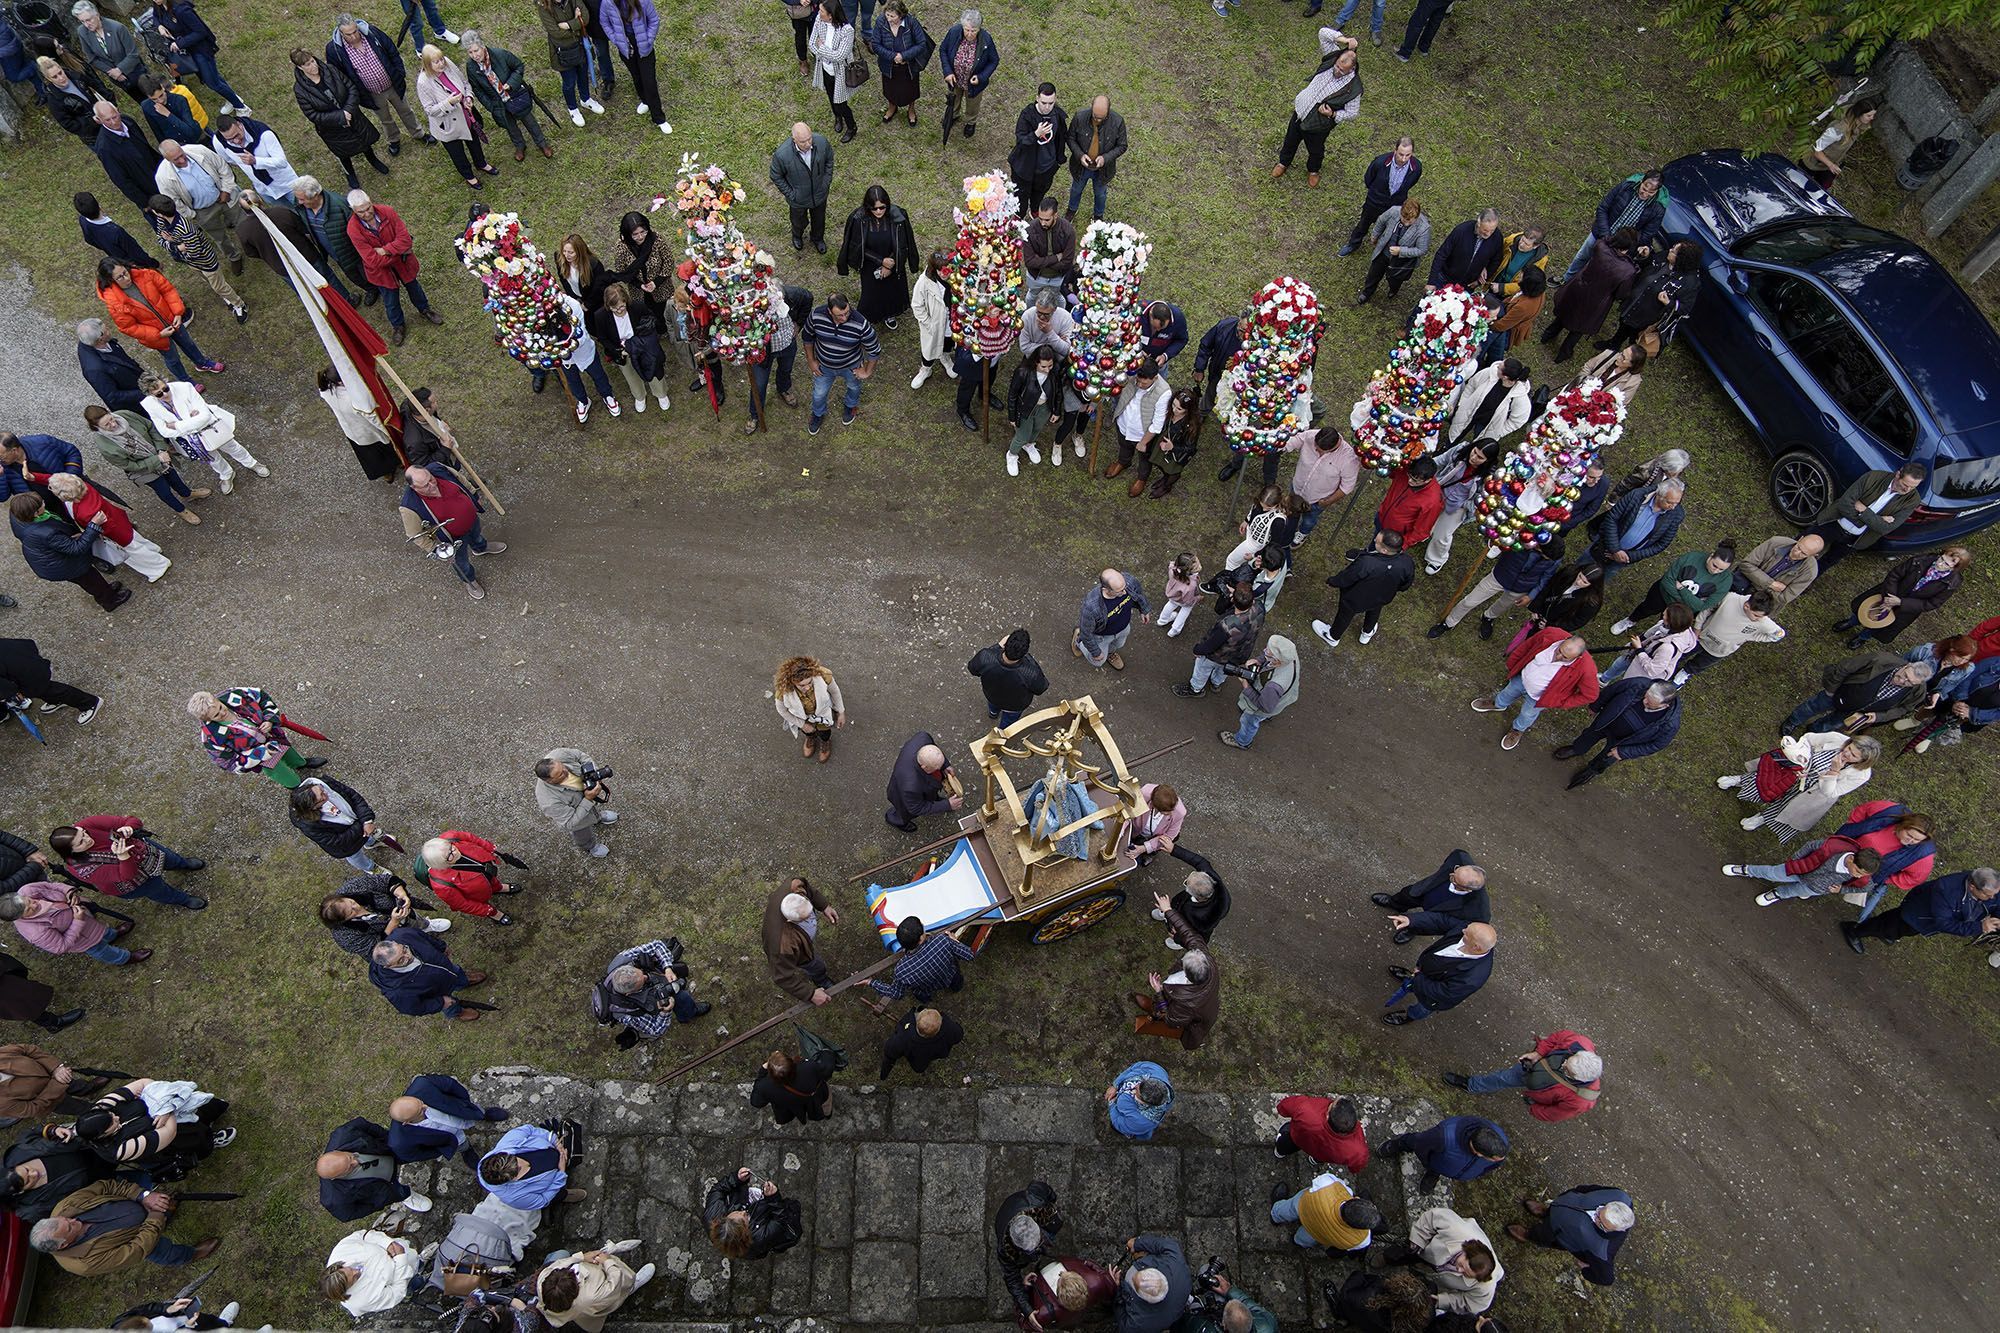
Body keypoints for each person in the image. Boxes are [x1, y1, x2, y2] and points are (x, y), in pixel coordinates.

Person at [29, 1181, 220, 1275]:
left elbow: (106, 1186)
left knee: (163, 1203)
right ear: (62, 1245)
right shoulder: (84, 1263)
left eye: (66, 1220)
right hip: (143, 1238)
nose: (73, 1221)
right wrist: (155, 1215)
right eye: (70, 1228)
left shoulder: (63, 1209)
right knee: (165, 1252)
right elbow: (135, 1250)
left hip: (141, 1204)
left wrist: (143, 1196)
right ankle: (191, 1254)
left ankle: (166, 1209)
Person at [1719, 731, 1879, 842]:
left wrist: (1834, 771)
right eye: (1849, 748)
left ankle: (1762, 818)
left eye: (1853, 755)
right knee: (1765, 779)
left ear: (1861, 761)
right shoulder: (1837, 738)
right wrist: (1802, 762)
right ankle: (1740, 780)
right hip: (1794, 770)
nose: (1846, 754)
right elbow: (1808, 739)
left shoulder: (1861, 775)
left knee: (1786, 804)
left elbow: (1830, 792)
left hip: (1811, 791)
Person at [50, 815, 206, 910]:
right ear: (72, 852)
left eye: (83, 834)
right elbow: (126, 876)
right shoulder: (82, 869)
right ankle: (183, 900)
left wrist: (129, 828)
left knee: (168, 857)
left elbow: (130, 820)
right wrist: (124, 857)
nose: (88, 839)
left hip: (143, 851)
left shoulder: (87, 825)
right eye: (81, 842)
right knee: (158, 890)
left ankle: (182, 864)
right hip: (133, 882)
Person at [347, 190, 441, 345]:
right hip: (382, 272)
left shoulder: (387, 212)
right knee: (391, 300)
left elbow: (405, 240)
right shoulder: (353, 229)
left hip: (403, 264)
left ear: (370, 201)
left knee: (414, 288)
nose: (366, 213)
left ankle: (425, 310)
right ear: (353, 211)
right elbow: (372, 260)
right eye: (361, 212)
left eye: (368, 208)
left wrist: (385, 251)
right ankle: (398, 326)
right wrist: (397, 252)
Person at [6, 493, 125, 612]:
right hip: (63, 566)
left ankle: (107, 590)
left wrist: (66, 539)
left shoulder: (18, 513)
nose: (44, 502)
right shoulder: (47, 533)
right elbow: (77, 549)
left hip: (52, 556)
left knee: (93, 579)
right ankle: (109, 601)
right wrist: (93, 526)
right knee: (91, 581)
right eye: (41, 503)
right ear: (36, 513)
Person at [1273, 27, 1361, 188]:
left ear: (1352, 69)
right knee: (1290, 140)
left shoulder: (1353, 87)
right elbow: (1323, 33)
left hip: (1318, 125)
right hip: (1300, 112)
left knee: (1315, 150)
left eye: (1342, 70)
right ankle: (1283, 162)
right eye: (1337, 66)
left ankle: (1313, 170)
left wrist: (1333, 114)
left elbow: (1353, 112)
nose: (1337, 70)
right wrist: (1345, 40)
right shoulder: (1331, 59)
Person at [399, 463, 502, 600]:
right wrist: (435, 549)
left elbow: (461, 480)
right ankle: (469, 580)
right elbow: (415, 535)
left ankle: (480, 548)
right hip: (453, 540)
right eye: (425, 485)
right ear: (414, 487)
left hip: (471, 520)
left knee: (476, 536)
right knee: (462, 562)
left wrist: (473, 497)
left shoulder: (439, 469)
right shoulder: (409, 507)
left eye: (430, 479)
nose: (432, 485)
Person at [325, 15, 423, 158]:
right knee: (385, 119)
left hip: (392, 85)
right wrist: (357, 95)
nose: (353, 36)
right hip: (372, 93)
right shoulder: (334, 50)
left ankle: (418, 133)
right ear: (340, 32)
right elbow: (339, 77)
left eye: (355, 31)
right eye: (348, 34)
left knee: (406, 110)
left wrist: (399, 73)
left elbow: (392, 51)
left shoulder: (372, 33)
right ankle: (394, 140)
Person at [1429, 537, 1563, 640]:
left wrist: (1531, 596)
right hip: (1499, 576)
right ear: (1540, 547)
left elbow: (1545, 578)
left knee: (1502, 607)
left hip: (1521, 588)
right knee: (1469, 601)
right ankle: (1449, 622)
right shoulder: (1523, 539)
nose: (1547, 560)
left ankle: (1488, 617)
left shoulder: (1554, 559)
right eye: (1546, 557)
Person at [1844, 866, 2000, 954]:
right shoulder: (1946, 890)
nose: (1993, 898)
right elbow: (1943, 924)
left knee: (1899, 929)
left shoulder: (1990, 887)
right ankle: (1855, 930)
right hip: (1917, 915)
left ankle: (1888, 932)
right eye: (1989, 895)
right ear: (1973, 887)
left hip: (1926, 920)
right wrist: (1978, 927)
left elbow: (1996, 904)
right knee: (1889, 925)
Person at [291, 48, 386, 191]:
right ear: (300, 67)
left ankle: (373, 159)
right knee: (342, 152)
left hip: (352, 116)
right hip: (332, 128)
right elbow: (312, 115)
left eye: (312, 61)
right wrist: (340, 117)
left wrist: (348, 110)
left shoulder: (330, 70)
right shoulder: (300, 89)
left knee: (363, 139)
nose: (313, 66)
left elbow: (351, 89)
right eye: (307, 65)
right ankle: (350, 173)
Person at [1837, 547, 1971, 648]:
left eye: (1947, 564)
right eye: (1941, 558)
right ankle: (1852, 622)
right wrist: (1890, 597)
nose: (1940, 564)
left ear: (1955, 568)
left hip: (1905, 610)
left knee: (1881, 624)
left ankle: (1863, 636)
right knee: (1867, 608)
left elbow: (1931, 604)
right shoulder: (1920, 561)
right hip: (1888, 594)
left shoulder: (1951, 584)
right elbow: (1895, 575)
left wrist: (1901, 602)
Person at [143, 192, 245, 324]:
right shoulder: (161, 220)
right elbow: (160, 239)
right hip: (192, 262)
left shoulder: (185, 229)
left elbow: (194, 252)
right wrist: (178, 246)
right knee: (208, 281)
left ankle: (239, 304)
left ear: (159, 213)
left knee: (219, 287)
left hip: (205, 261)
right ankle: (228, 298)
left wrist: (174, 245)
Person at [1543, 225, 1636, 361]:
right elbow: (1621, 294)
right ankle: (1563, 353)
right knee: (1578, 329)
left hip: (1579, 288)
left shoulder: (1600, 247)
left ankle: (1548, 335)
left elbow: (1604, 240)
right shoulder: (1627, 270)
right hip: (1597, 301)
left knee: (1564, 314)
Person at [1127, 910, 1218, 1048]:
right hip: (1193, 1003)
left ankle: (1152, 1011)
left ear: (1187, 974)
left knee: (1160, 1012)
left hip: (1183, 1011)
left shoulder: (1187, 1004)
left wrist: (1158, 991)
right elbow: (1190, 936)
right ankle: (1153, 1007)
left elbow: (1170, 1019)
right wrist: (1168, 910)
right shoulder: (1205, 960)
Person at [1783, 651, 1932, 735]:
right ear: (1907, 665)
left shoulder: (1918, 690)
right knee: (1812, 707)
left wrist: (1879, 716)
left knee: (1832, 723)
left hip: (1856, 713)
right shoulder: (1880, 660)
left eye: (1909, 683)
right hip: (1839, 694)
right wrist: (1831, 690)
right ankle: (1792, 722)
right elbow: (1845, 667)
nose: (1902, 681)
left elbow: (1903, 709)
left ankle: (1812, 732)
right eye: (1905, 676)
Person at [2, 881, 149, 966]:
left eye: (29, 901)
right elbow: (61, 946)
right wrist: (77, 921)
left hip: (87, 919)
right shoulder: (35, 932)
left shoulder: (27, 890)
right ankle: (125, 958)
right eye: (28, 910)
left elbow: (53, 886)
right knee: (101, 950)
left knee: (103, 930)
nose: (34, 905)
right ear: (19, 918)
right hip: (82, 939)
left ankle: (114, 935)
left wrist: (69, 893)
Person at [1508, 1188, 1634, 1286]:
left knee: (1543, 1234)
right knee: (1556, 1210)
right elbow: (1591, 1189)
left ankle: (1529, 1235)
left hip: (1561, 1234)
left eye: (1600, 1221)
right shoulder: (1621, 1197)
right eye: (1601, 1209)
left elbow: (1606, 1279)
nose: (1595, 1213)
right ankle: (1546, 1212)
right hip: (1565, 1205)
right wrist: (1575, 1192)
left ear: (1609, 1229)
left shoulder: (1601, 1251)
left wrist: (1585, 1269)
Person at [1806, 463, 1927, 566]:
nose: (1907, 490)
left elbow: (1886, 528)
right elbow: (1844, 503)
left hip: (1855, 538)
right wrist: (1874, 520)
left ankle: (1804, 583)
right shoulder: (1874, 477)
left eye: (1913, 487)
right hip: (1833, 522)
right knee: (1801, 545)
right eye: (1905, 484)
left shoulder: (1913, 499)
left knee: (1828, 562)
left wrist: (1864, 510)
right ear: (1898, 474)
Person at [1721, 833, 1881, 909]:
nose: (1858, 876)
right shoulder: (1833, 848)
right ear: (1852, 859)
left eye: (1862, 875)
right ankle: (1746, 870)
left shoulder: (1864, 876)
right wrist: (1796, 858)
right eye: (1857, 871)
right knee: (1772, 873)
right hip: (1799, 869)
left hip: (1814, 888)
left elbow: (1866, 887)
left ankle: (1776, 894)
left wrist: (1842, 889)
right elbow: (1811, 845)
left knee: (1792, 891)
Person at [1314, 529, 1415, 649]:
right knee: (1374, 610)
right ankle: (1367, 632)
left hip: (1355, 598)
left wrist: (1333, 581)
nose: (1374, 541)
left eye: (1376, 541)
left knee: (1344, 615)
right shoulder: (1407, 562)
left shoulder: (1367, 563)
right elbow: (1405, 584)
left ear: (1384, 550)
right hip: (1382, 597)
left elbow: (1347, 577)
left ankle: (1333, 636)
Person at [457, 32, 548, 165]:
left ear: (482, 46)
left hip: (515, 96)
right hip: (499, 104)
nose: (474, 55)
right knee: (510, 126)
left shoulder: (500, 54)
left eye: (476, 50)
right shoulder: (471, 67)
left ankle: (542, 143)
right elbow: (477, 89)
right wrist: (491, 106)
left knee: (529, 120)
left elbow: (519, 66)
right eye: (470, 52)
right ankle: (520, 146)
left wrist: (511, 84)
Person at [1382, 922, 1497, 1026]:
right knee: (1414, 980)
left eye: (1466, 933)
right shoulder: (1469, 933)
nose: (1463, 930)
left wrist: (1419, 979)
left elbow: (1444, 993)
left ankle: (1409, 1016)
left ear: (1476, 947)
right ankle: (1411, 979)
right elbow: (1440, 920)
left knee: (1422, 1008)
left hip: (1432, 998)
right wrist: (1412, 920)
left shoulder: (1473, 977)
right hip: (1425, 972)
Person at [596, 938, 710, 1043]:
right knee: (681, 996)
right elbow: (656, 1029)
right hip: (640, 1007)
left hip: (640, 988)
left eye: (642, 974)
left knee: (671, 965)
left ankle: (688, 1011)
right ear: (628, 993)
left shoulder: (623, 959)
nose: (647, 977)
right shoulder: (625, 1013)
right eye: (642, 982)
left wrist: (667, 968)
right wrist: (665, 1012)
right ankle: (687, 1015)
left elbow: (657, 945)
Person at [1562, 170, 1667, 283]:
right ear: (1641, 181)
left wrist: (1627, 246)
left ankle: (1580, 287)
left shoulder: (1658, 208)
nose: (1645, 194)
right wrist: (1605, 234)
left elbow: (1647, 234)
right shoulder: (1626, 187)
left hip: (1621, 246)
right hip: (1601, 232)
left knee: (1600, 270)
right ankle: (1566, 279)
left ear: (1657, 191)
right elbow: (1603, 208)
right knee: (1582, 257)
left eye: (1650, 193)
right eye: (1644, 189)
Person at [316, 1116, 430, 1220]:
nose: (355, 1162)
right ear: (336, 1177)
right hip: (384, 1187)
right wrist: (377, 1203)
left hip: (387, 1152)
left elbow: (366, 1126)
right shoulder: (333, 1199)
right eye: (349, 1168)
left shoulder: (344, 1133)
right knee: (398, 1192)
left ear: (336, 1151)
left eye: (350, 1157)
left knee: (414, 1150)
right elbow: (349, 1214)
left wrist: (389, 1139)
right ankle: (406, 1195)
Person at [1368, 849, 1490, 946]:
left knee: (1424, 924)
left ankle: (1411, 929)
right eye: (1455, 870)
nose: (1451, 875)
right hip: (1427, 890)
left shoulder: (1478, 911)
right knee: (1406, 895)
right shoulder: (1460, 858)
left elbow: (1444, 923)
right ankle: (1394, 903)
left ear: (1467, 889)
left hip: (1437, 912)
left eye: (1454, 879)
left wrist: (1416, 921)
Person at [800, 292, 881, 434]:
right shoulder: (816, 316)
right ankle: (817, 414)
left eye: (847, 313)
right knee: (818, 394)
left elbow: (874, 349)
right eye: (840, 315)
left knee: (854, 387)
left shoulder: (860, 323)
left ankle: (850, 406)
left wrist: (867, 371)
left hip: (851, 366)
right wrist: (811, 361)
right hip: (824, 366)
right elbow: (807, 338)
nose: (845, 318)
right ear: (829, 311)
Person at [837, 183, 916, 328]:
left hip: (894, 262)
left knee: (893, 291)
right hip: (869, 264)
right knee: (872, 293)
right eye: (874, 208)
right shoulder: (858, 219)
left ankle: (889, 314)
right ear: (868, 207)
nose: (879, 211)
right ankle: (872, 315)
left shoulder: (898, 216)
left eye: (882, 207)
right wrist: (881, 261)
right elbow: (858, 247)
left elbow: (903, 242)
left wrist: (890, 264)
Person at [414, 43, 493, 188]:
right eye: (436, 62)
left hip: (466, 115)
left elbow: (464, 83)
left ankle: (481, 163)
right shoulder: (423, 82)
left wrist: (469, 98)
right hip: (448, 125)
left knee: (474, 142)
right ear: (427, 64)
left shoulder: (448, 64)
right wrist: (448, 103)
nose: (441, 63)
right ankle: (468, 176)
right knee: (457, 153)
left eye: (441, 59)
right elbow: (430, 110)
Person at [386, 1073, 509, 1165]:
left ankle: (484, 1115)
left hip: (459, 1112)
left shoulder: (422, 1084)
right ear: (407, 1122)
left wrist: (465, 1102)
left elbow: (450, 1084)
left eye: (420, 1102)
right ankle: (466, 1150)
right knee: (461, 1144)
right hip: (447, 1138)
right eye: (421, 1110)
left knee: (475, 1111)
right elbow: (415, 1155)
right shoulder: (399, 1142)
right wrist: (443, 1148)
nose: (425, 1106)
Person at [368, 927, 488, 1020]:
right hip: (437, 992)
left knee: (456, 972)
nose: (409, 957)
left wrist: (441, 947)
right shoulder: (397, 992)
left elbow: (424, 937)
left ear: (395, 942)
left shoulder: (403, 935)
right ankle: (457, 1012)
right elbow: (413, 1008)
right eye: (401, 960)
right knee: (450, 1004)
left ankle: (463, 981)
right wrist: (441, 1003)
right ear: (388, 966)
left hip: (446, 969)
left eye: (405, 950)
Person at [588, 282, 671, 415]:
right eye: (615, 309)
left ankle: (660, 393)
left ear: (626, 300)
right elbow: (602, 338)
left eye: (621, 306)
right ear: (608, 306)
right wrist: (618, 350)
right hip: (622, 352)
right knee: (630, 374)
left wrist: (641, 342)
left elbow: (651, 321)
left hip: (642, 346)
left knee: (653, 368)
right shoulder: (600, 316)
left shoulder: (638, 307)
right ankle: (639, 396)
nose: (620, 310)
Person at [320, 873, 449, 957]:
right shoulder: (346, 937)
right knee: (415, 946)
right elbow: (378, 948)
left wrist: (401, 894)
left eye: (352, 902)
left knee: (415, 921)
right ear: (343, 920)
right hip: (396, 939)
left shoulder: (352, 889)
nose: (357, 906)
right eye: (351, 912)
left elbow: (384, 881)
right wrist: (394, 922)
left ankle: (426, 926)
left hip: (403, 914)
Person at [289, 776, 396, 874]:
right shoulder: (309, 825)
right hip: (347, 846)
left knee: (367, 834)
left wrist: (366, 821)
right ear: (313, 807)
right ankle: (371, 868)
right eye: (322, 797)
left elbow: (353, 796)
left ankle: (371, 843)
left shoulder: (324, 784)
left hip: (357, 827)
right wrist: (362, 824)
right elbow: (338, 841)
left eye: (321, 789)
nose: (325, 793)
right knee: (356, 856)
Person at [537, 1246, 655, 1332]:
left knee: (561, 1254)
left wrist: (581, 1257)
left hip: (569, 1312)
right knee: (621, 1285)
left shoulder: (543, 1279)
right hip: (592, 1304)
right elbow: (614, 1283)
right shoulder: (591, 1297)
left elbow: (558, 1264)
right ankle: (631, 1287)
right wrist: (607, 1262)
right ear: (574, 1289)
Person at [1589, 476, 1684, 581]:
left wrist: (1629, 556)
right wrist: (1615, 549)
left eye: (1677, 503)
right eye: (1670, 502)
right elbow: (1612, 518)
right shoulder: (1637, 496)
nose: (1673, 507)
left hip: (1623, 559)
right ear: (1659, 495)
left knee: (1600, 581)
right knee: (1582, 568)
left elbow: (1661, 545)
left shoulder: (1676, 515)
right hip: (1604, 546)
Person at [1380, 1115, 1509, 1192]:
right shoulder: (1443, 1136)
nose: (1500, 1161)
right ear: (1478, 1153)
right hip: (1436, 1157)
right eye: (1494, 1159)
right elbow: (1421, 1145)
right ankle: (1398, 1145)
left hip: (1445, 1165)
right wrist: (1428, 1162)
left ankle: (1435, 1173)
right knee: (1414, 1141)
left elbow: (1492, 1166)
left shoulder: (1500, 1144)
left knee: (1438, 1167)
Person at [763, 875, 839, 1004]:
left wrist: (824, 906)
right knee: (816, 966)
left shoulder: (793, 887)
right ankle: (821, 980)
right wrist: (810, 994)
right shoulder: (782, 946)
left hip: (801, 940)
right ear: (790, 921)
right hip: (801, 954)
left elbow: (808, 890)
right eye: (806, 917)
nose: (811, 916)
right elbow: (782, 977)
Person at [1341, 135, 1421, 254]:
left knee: (1389, 227)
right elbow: (1368, 179)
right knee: (1363, 224)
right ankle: (1353, 244)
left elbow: (1411, 183)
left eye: (1408, 155)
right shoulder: (1380, 162)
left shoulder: (1416, 168)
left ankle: (1381, 243)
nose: (1404, 159)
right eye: (1401, 154)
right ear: (1395, 151)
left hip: (1395, 205)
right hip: (1374, 202)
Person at [704, 1167, 804, 1261]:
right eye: (745, 1218)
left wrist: (736, 1178)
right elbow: (781, 1220)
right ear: (747, 1233)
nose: (744, 1212)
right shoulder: (760, 1238)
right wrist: (773, 1198)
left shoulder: (713, 1215)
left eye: (737, 1212)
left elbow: (718, 1189)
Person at [0, 635, 103, 725]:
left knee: (49, 690)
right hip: (20, 656)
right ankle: (56, 701)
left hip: (25, 671)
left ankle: (90, 703)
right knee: (42, 690)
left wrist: (12, 695)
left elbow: (5, 687)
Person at [479, 1120, 584, 1208]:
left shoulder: (509, 1142)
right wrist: (561, 1173)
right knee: (556, 1195)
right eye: (518, 1171)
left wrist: (555, 1141)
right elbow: (543, 1200)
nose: (526, 1164)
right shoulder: (515, 1198)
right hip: (555, 1178)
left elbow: (529, 1130)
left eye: (516, 1159)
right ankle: (564, 1195)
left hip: (553, 1151)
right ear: (511, 1180)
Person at [600, 0, 669, 134]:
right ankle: (644, 100)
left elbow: (654, 20)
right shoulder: (607, 3)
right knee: (636, 77)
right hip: (626, 47)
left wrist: (648, 40)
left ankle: (659, 118)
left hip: (644, 47)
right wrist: (616, 39)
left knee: (649, 82)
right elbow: (604, 22)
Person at [1269, 1173, 1382, 1254]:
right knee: (1306, 1238)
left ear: (1355, 1199)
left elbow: (1332, 1183)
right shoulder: (1362, 1240)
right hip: (1317, 1233)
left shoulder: (1327, 1184)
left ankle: (1275, 1216)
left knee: (1289, 1208)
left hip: (1305, 1207)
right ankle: (1296, 1241)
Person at [534, 748, 618, 856]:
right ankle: (590, 847)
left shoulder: (558, 754)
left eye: (563, 767)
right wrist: (588, 799)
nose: (566, 772)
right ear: (549, 781)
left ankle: (598, 818)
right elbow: (570, 822)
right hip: (578, 822)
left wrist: (594, 773)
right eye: (560, 775)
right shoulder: (549, 801)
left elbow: (580, 756)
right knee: (582, 833)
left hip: (585, 802)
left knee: (591, 811)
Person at [318, 1228, 419, 1318]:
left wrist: (387, 1243)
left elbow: (362, 1235)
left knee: (411, 1252)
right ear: (346, 1290)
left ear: (338, 1267)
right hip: (406, 1274)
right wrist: (400, 1258)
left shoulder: (340, 1252)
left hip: (397, 1246)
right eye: (354, 1279)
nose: (356, 1271)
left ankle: (418, 1257)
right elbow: (396, 1293)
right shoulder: (361, 1301)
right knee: (415, 1283)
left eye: (350, 1269)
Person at [870, 916, 974, 1002]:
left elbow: (896, 993)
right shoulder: (943, 941)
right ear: (920, 939)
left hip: (926, 988)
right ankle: (956, 988)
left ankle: (927, 1000)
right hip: (951, 975)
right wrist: (955, 941)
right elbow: (969, 955)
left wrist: (870, 982)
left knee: (922, 996)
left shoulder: (902, 971)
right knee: (956, 983)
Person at [770, 121, 834, 255]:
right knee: (798, 221)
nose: (808, 143)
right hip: (798, 199)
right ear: (794, 140)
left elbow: (829, 160)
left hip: (819, 194)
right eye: (803, 141)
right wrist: (791, 194)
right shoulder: (782, 155)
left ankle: (817, 238)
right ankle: (797, 236)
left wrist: (825, 182)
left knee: (819, 219)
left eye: (809, 138)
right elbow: (776, 176)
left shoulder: (821, 142)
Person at [771, 654, 848, 762]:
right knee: (808, 731)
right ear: (791, 682)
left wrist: (841, 712)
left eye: (810, 683)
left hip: (823, 713)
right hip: (802, 717)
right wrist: (802, 725)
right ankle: (810, 737)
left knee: (825, 732)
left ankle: (825, 742)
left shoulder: (823, 675)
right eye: (801, 685)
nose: (807, 688)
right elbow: (782, 711)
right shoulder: (783, 692)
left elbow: (835, 692)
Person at [1003, 343, 1066, 474]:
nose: (1047, 370)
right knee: (1021, 435)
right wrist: (1012, 416)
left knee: (1036, 429)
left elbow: (1058, 392)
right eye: (1043, 366)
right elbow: (1012, 395)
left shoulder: (1054, 372)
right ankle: (1012, 454)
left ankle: (1029, 445)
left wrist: (1056, 410)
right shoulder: (1023, 372)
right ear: (1035, 362)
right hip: (1026, 408)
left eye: (1050, 365)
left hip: (1044, 408)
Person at [1355, 197, 1430, 306]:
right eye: (1403, 218)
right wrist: (1375, 234)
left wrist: (1401, 251)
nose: (1406, 223)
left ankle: (1393, 290)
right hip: (1383, 254)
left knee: (1395, 279)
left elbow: (1421, 249)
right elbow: (1381, 220)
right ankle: (1367, 292)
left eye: (1409, 220)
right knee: (1373, 274)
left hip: (1401, 262)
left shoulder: (1424, 228)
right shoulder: (1393, 211)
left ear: (1417, 216)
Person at [1074, 567, 1151, 670]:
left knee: (1119, 645)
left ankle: (1110, 653)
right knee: (1097, 661)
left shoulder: (1128, 582)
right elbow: (1086, 633)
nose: (1125, 592)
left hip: (1123, 628)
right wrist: (1096, 652)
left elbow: (1138, 593)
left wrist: (1144, 609)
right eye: (1119, 591)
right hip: (1101, 636)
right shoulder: (1091, 607)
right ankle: (1079, 642)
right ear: (1106, 590)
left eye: (1124, 587)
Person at [210, 113, 297, 205]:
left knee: (307, 212)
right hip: (265, 190)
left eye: (237, 135)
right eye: (230, 139)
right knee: (287, 216)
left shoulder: (263, 133)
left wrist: (256, 161)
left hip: (286, 184)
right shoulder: (219, 142)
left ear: (240, 125)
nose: (236, 141)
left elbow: (282, 162)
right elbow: (229, 160)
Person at [1111, 1234, 1191, 1333]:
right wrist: (1137, 1243)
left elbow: (1122, 1317)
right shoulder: (1179, 1269)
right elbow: (1168, 1245)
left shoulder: (1136, 1326)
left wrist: (1116, 1289)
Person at [1065, 94, 1126, 222]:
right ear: (1091, 107)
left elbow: (1122, 146)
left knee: (1100, 194)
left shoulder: (1118, 122)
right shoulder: (1080, 117)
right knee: (1076, 190)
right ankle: (1072, 210)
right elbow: (1070, 138)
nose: (1097, 120)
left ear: (1108, 111)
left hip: (1103, 169)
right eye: (1095, 117)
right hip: (1081, 166)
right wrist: (1080, 155)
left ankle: (1098, 216)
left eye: (1101, 118)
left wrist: (1105, 158)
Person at [535, 0, 597, 125]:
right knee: (569, 82)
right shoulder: (543, 6)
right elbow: (556, 32)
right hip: (563, 52)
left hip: (580, 46)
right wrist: (576, 23)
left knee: (583, 75)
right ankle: (572, 108)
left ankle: (585, 99)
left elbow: (585, 17)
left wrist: (568, 24)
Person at [968, 629, 1048, 726]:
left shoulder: (985, 656)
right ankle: (1003, 733)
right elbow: (1041, 687)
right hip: (1014, 706)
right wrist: (1030, 659)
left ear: (1006, 644)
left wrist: (997, 646)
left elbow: (972, 669)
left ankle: (993, 714)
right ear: (1024, 652)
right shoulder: (1031, 673)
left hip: (992, 696)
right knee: (1008, 722)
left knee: (993, 707)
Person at [937, 9, 996, 137]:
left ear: (979, 29)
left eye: (973, 31)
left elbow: (994, 61)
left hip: (973, 83)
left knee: (972, 104)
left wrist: (981, 77)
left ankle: (970, 122)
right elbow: (943, 50)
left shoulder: (986, 39)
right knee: (954, 99)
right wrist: (947, 71)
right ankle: (953, 116)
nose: (969, 34)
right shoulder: (954, 32)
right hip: (955, 78)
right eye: (967, 30)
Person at [1271, 1094, 1368, 1172]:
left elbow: (1283, 1106)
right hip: (1325, 1155)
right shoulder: (1358, 1152)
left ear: (1327, 1116)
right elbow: (1356, 1167)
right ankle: (1314, 1160)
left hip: (1297, 1138)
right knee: (1320, 1157)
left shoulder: (1306, 1109)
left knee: (1285, 1142)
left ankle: (1280, 1152)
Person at [71, 4, 147, 102]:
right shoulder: (82, 32)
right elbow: (92, 58)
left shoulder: (118, 28)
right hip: (118, 79)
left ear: (97, 15)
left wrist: (119, 70)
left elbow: (133, 54)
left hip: (135, 72)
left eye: (88, 20)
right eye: (82, 21)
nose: (86, 24)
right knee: (141, 101)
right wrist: (112, 72)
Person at [1010, 84, 1067, 215]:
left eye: (1051, 103)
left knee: (1039, 194)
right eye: (1044, 103)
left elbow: (1061, 137)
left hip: (1046, 168)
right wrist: (1036, 134)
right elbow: (1021, 141)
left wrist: (1058, 160)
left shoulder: (1057, 115)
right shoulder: (1027, 115)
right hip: (1024, 168)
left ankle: (1035, 211)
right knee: (1020, 198)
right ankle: (1019, 217)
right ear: (1037, 98)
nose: (1047, 107)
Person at [807, 2, 858, 141]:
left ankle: (851, 126)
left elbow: (840, 56)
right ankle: (837, 117)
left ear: (830, 16)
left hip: (840, 73)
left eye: (822, 11)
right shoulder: (819, 20)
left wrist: (822, 48)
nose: (818, 13)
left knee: (841, 102)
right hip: (825, 69)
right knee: (830, 95)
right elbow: (812, 43)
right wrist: (827, 52)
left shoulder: (847, 31)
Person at [1153, 856, 1230, 947]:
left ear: (1195, 894)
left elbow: (1193, 935)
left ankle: (1176, 942)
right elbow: (1201, 862)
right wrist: (1173, 849)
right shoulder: (1212, 886)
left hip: (1182, 926)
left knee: (1175, 931)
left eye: (1186, 883)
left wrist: (1179, 938)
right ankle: (1166, 915)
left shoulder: (1203, 920)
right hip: (1178, 906)